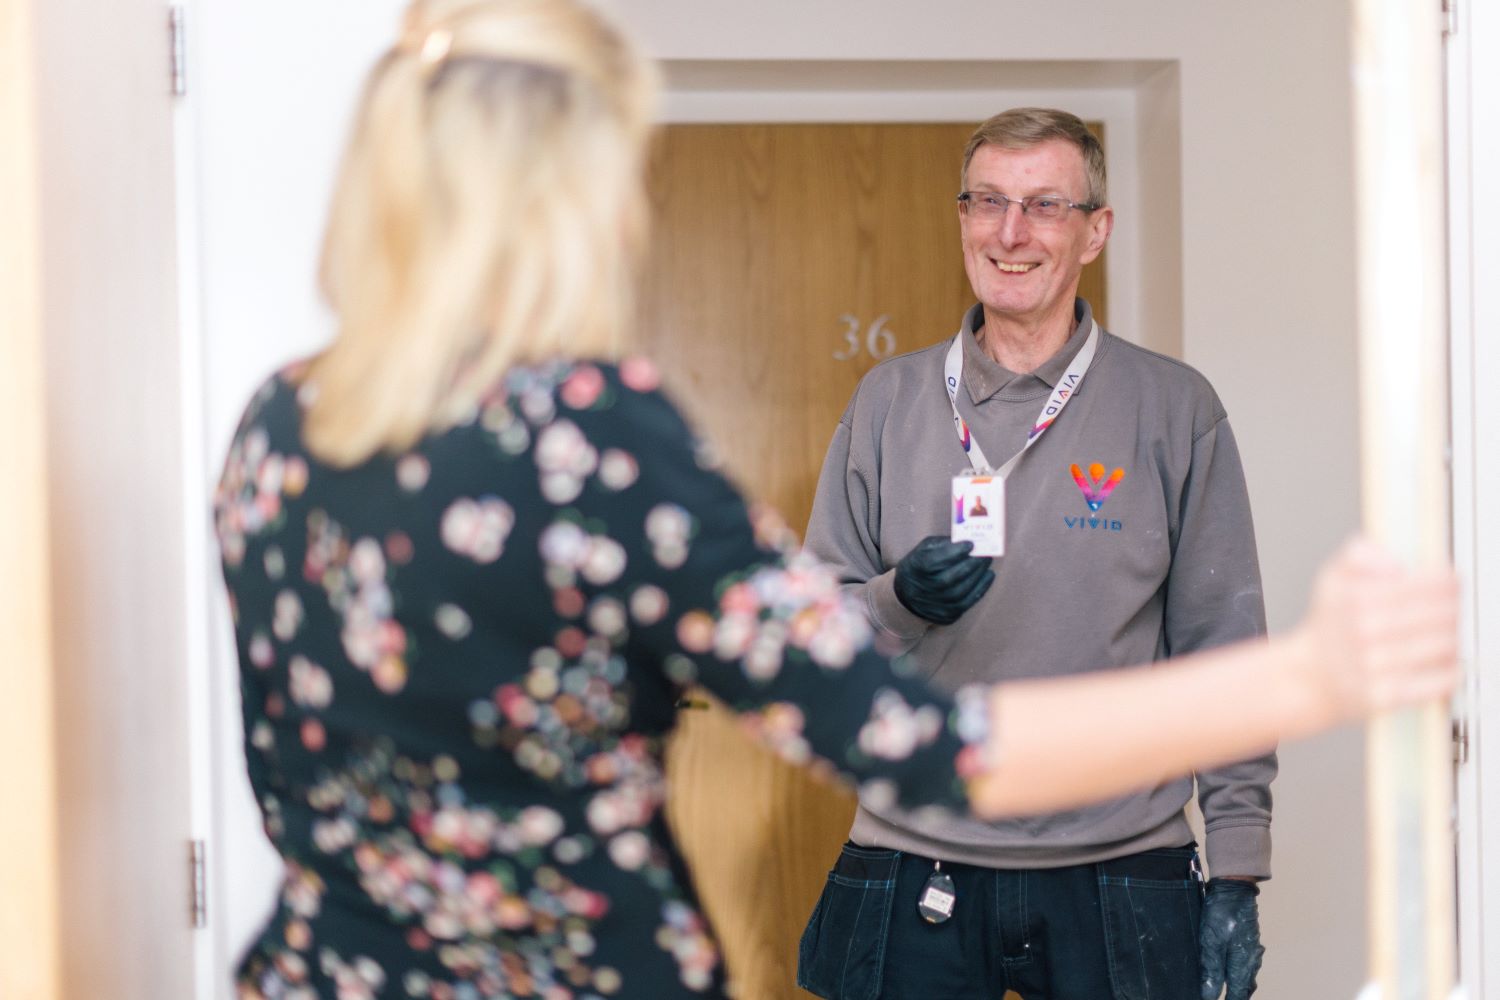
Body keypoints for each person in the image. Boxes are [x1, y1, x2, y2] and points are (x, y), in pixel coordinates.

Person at [212, 7, 1459, 999]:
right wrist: (1313, 673)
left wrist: (1230, 854)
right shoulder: (594, 439)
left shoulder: (276, 427)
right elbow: (921, 745)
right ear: (569, 199)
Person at [795, 108, 1279, 1000]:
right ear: (964, 219)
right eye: (988, 202)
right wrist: (900, 601)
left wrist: (1240, 868)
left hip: (1123, 870)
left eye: (1044, 206)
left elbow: (1226, 650)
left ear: (1095, 230)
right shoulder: (888, 402)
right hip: (916, 855)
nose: (1010, 233)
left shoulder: (1174, 408)